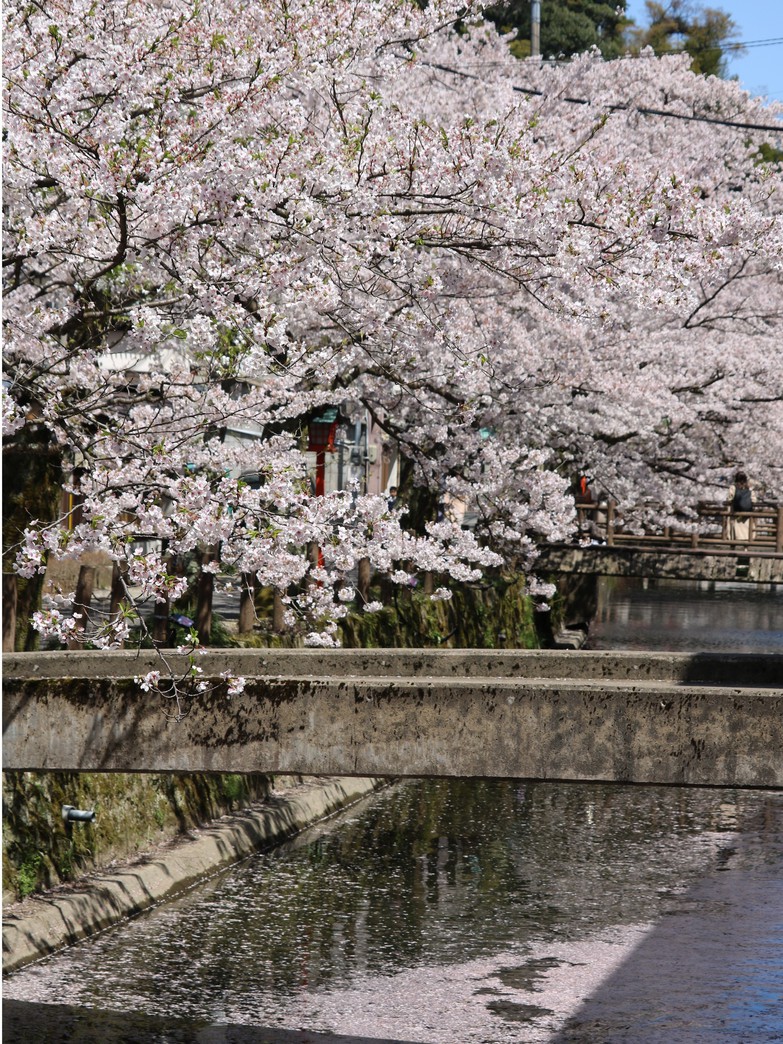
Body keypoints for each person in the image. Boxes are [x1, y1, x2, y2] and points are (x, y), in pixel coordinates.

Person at [727, 470, 754, 544]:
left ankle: (733, 547)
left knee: (735, 530)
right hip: (746, 514)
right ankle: (746, 548)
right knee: (746, 532)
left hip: (736, 512)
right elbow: (754, 500)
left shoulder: (733, 487)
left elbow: (729, 498)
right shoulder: (749, 488)